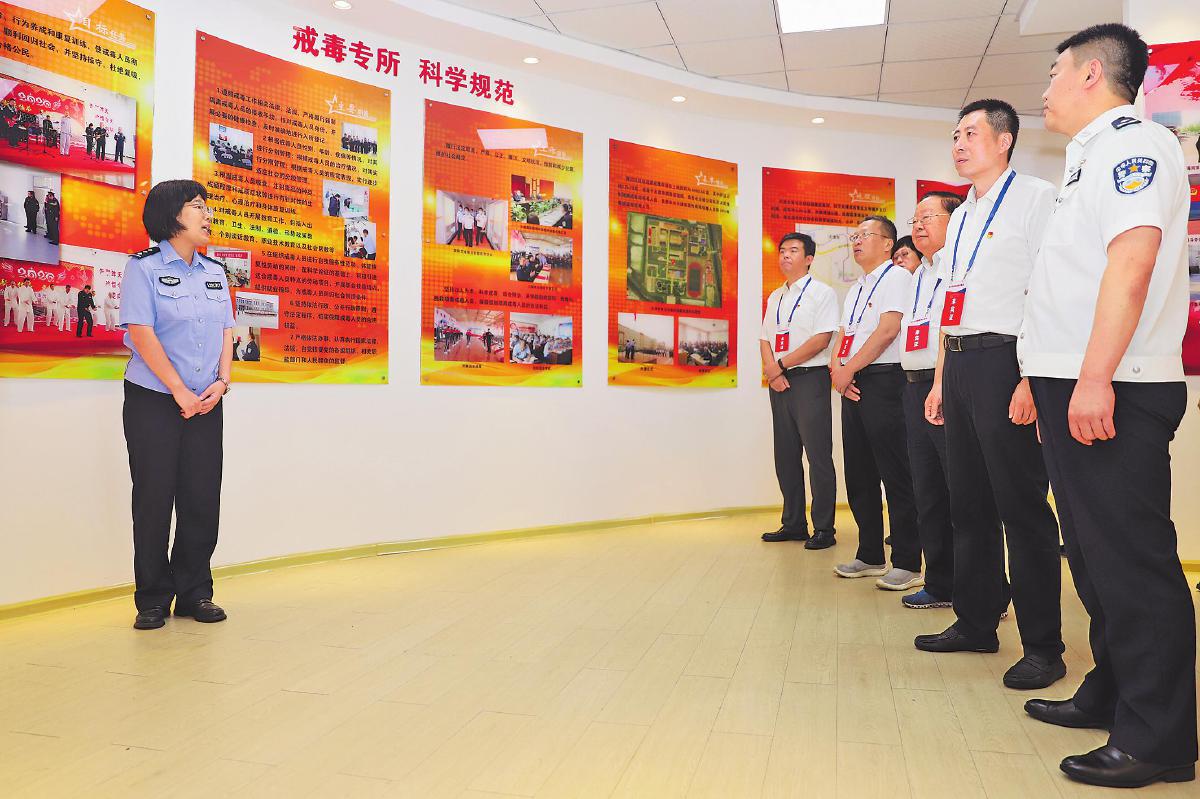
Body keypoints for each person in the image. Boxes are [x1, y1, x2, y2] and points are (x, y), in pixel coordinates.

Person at [1020, 24, 1197, 789]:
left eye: (1054, 72)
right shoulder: (1085, 159)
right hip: (1076, 379)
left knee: (1131, 562)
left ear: (1092, 74)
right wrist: (1044, 376)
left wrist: (1094, 377)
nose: (1046, 88)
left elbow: (1132, 263)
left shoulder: (1136, 146)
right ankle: (1114, 688)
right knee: (1092, 558)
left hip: (1114, 385)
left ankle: (1159, 736)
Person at [916, 99, 1065, 691]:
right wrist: (940, 381)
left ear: (1004, 140)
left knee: (1021, 508)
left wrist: (1031, 377)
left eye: (971, 133)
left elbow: (1050, 289)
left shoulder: (1035, 197)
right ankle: (976, 621)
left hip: (1009, 362)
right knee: (968, 503)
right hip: (959, 363)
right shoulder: (962, 217)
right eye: (955, 134)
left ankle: (1043, 647)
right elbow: (953, 304)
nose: (959, 143)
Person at [118, 179, 233, 631]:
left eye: (207, 207)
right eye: (198, 207)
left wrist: (221, 383)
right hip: (153, 400)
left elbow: (226, 330)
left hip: (206, 401)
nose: (207, 215)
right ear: (171, 215)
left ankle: (194, 592)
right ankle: (151, 598)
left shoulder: (215, 271)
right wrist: (179, 391)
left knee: (201, 497)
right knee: (153, 497)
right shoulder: (142, 268)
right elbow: (141, 333)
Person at [829, 216, 921, 589]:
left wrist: (848, 368)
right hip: (853, 381)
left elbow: (888, 329)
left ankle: (908, 561)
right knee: (859, 471)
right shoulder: (856, 287)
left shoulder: (897, 277)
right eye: (854, 236)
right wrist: (838, 369)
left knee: (895, 472)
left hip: (885, 380)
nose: (856, 241)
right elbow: (843, 333)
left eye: (864, 235)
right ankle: (869, 554)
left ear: (887, 243)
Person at [899, 192, 962, 609]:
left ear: (954, 222)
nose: (918, 225)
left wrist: (940, 384)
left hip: (947, 384)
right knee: (928, 490)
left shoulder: (958, 268)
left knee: (962, 492)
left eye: (928, 217)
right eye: (915, 219)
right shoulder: (918, 274)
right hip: (914, 386)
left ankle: (985, 591)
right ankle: (940, 583)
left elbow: (950, 331)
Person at [760, 232, 839, 550]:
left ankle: (824, 528)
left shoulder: (822, 293)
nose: (785, 255)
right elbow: (764, 338)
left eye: (793, 250)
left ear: (809, 259)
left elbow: (821, 340)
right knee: (785, 455)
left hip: (810, 379)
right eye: (782, 250)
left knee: (818, 456)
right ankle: (793, 523)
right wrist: (773, 370)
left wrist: (779, 365)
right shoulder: (775, 297)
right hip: (779, 382)